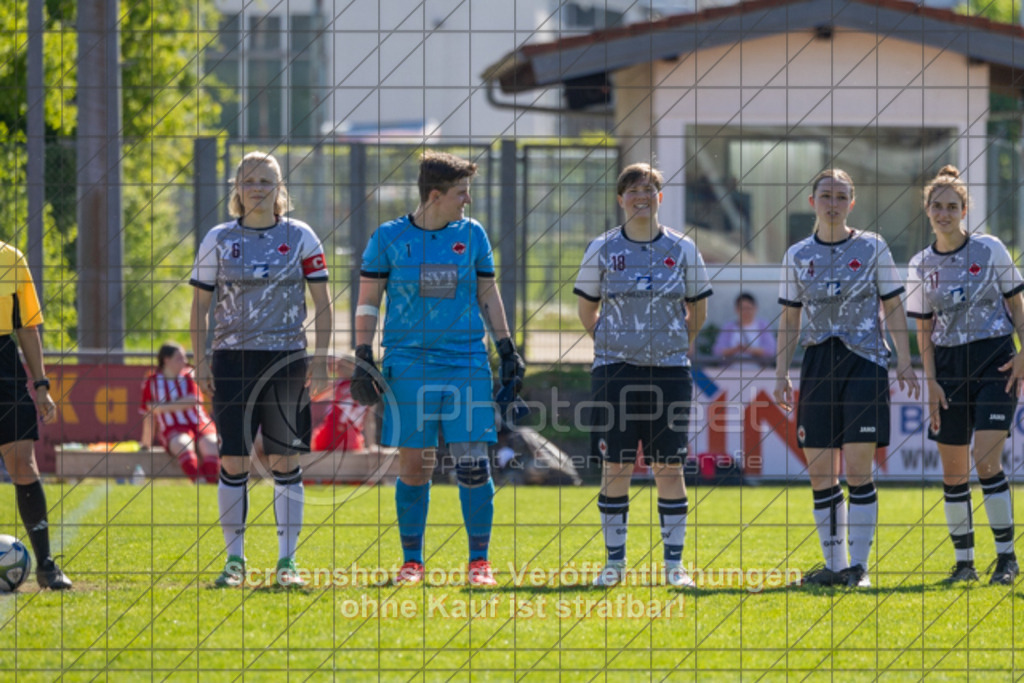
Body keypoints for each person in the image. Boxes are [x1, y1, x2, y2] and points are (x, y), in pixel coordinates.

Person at [350, 150, 524, 587]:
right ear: (435, 195)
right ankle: (412, 562)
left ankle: (479, 563)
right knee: (415, 466)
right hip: (408, 363)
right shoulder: (388, 238)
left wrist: (506, 348)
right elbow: (368, 299)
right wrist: (361, 353)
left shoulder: (473, 234)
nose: (467, 201)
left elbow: (488, 291)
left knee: (472, 463)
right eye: (461, 193)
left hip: (465, 359)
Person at [190, 151, 332, 588]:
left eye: (266, 180)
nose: (257, 187)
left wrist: (322, 362)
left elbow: (323, 305)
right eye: (248, 180)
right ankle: (235, 563)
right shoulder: (218, 237)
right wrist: (200, 361)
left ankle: (287, 564)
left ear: (279, 188)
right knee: (233, 460)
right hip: (232, 361)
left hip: (286, 360)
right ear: (236, 188)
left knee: (284, 458)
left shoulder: (302, 235)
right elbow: (200, 307)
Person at [774, 169, 920, 588]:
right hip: (819, 364)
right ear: (812, 201)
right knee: (821, 473)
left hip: (866, 364)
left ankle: (860, 568)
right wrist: (782, 372)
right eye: (826, 195)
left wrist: (904, 360)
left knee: (858, 469)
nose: (833, 203)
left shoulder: (872, 247)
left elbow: (893, 306)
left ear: (851, 203)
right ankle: (835, 566)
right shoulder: (797, 254)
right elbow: (789, 317)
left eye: (841, 196)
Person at [574, 162, 713, 588]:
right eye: (632, 190)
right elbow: (586, 308)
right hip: (614, 371)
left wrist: (668, 341)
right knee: (615, 466)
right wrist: (614, 341)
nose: (641, 196)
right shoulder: (602, 247)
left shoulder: (683, 248)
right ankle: (613, 564)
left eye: (649, 189)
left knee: (668, 467)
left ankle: (675, 566)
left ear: (660, 197)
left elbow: (699, 311)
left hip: (669, 372)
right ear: (620, 199)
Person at [906, 165, 1020, 586]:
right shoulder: (919, 265)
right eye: (937, 206)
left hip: (997, 363)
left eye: (952, 206)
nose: (944, 213)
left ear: (965, 210)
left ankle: (1006, 560)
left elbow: (1018, 304)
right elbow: (923, 329)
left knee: (986, 459)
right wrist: (930, 380)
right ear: (928, 211)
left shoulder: (990, 249)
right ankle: (964, 564)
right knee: (953, 474)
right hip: (948, 370)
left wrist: (1023, 353)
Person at [0, 240, 71, 590]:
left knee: (23, 466)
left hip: (4, 369)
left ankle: (45, 566)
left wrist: (42, 385)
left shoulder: (10, 258)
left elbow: (27, 327)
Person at [139, 342, 220, 483]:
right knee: (182, 444)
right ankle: (201, 483)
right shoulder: (152, 382)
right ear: (166, 360)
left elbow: (192, 400)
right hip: (173, 428)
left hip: (200, 423)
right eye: (179, 358)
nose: (185, 361)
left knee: (211, 445)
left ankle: (212, 485)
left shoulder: (189, 375)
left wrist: (161, 407)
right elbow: (148, 413)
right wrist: (146, 444)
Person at [712, 292, 775, 366]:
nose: (746, 312)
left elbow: (771, 350)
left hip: (758, 372)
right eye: (743, 308)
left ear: (755, 308)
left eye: (749, 308)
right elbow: (717, 351)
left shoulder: (763, 326)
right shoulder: (728, 326)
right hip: (731, 373)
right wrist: (735, 349)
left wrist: (749, 349)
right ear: (736, 309)